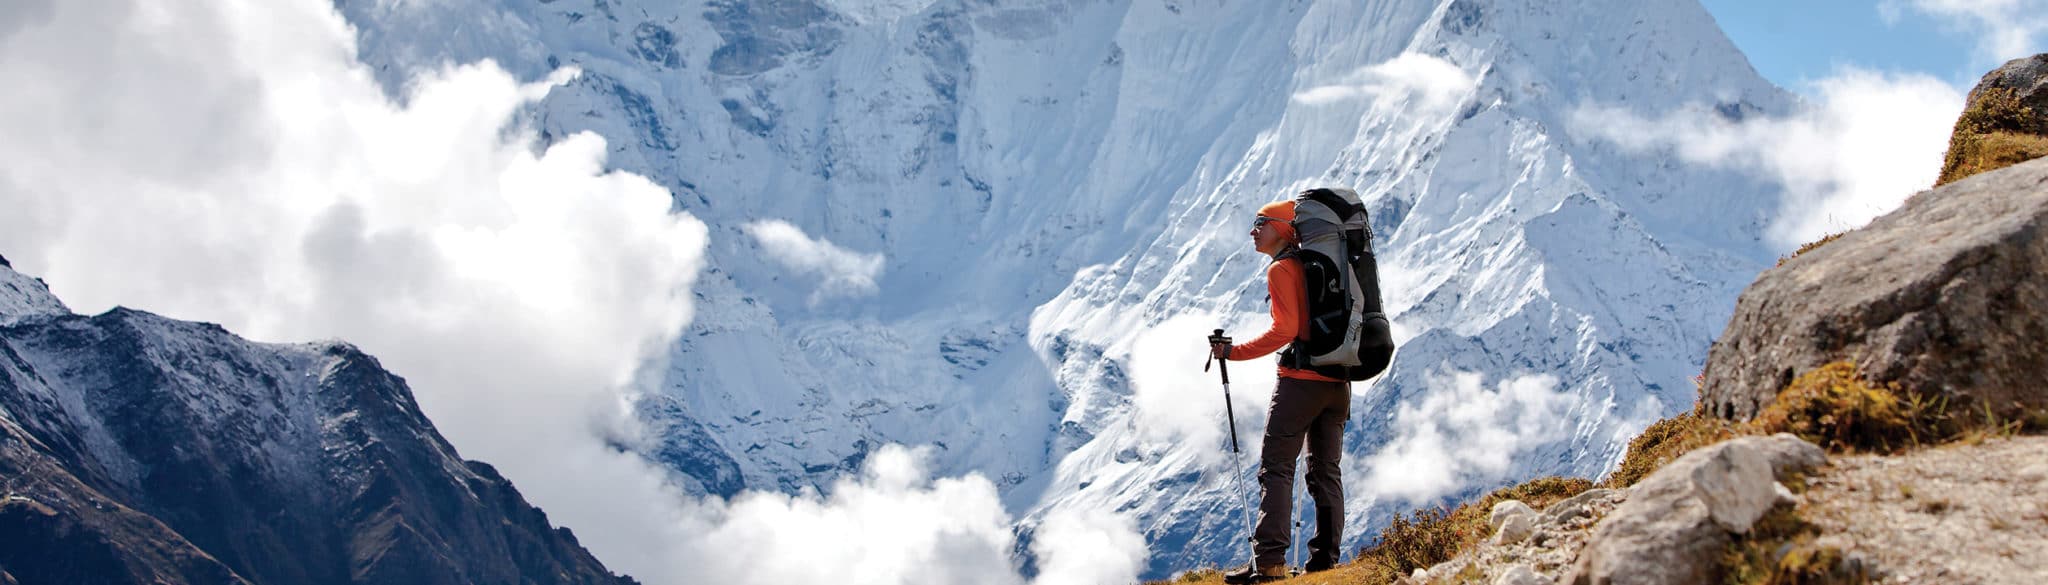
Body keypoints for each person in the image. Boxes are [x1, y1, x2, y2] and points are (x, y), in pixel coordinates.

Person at [1210, 200, 1350, 583]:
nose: (1253, 230)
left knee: (1277, 468)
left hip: (1299, 383)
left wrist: (1232, 353)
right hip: (1337, 381)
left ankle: (1270, 561)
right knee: (1325, 471)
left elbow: (1285, 330)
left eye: (1261, 223)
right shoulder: (1320, 266)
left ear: (1285, 229)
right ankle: (1325, 562)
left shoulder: (1282, 269)